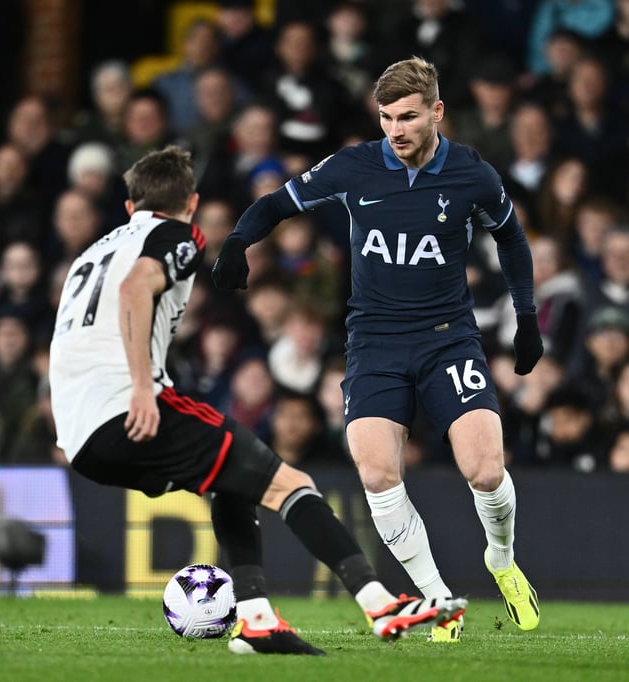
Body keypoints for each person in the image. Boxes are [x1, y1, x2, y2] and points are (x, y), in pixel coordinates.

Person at [49, 147, 465, 656]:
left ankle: (257, 621)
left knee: (232, 481)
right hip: (129, 404)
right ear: (193, 202)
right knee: (293, 483)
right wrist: (140, 385)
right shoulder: (178, 233)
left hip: (78, 433)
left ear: (129, 206)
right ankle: (378, 601)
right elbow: (137, 288)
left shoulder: (89, 255)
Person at [212, 57, 543, 641]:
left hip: (448, 340)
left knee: (486, 471)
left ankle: (501, 560)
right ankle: (439, 599)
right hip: (374, 344)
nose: (396, 129)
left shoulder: (472, 174)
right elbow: (275, 205)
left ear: (437, 112)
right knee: (376, 473)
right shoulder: (354, 168)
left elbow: (511, 238)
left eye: (409, 117)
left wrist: (526, 316)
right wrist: (239, 239)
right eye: (387, 117)